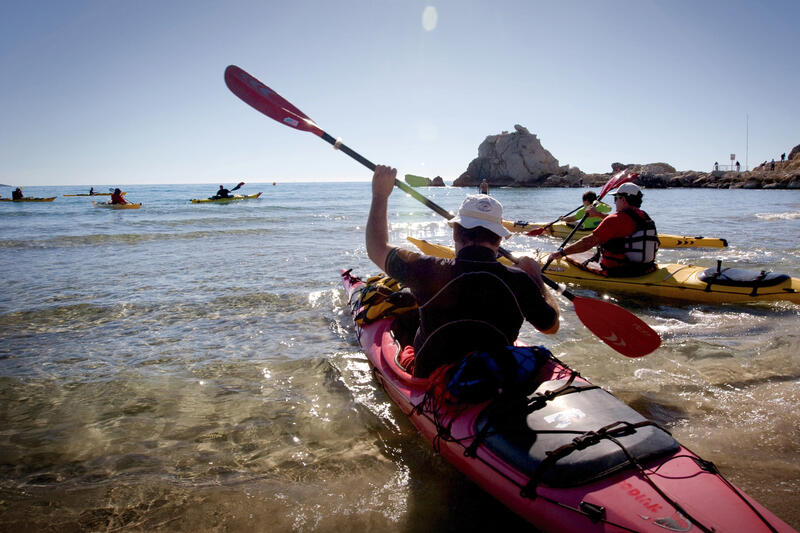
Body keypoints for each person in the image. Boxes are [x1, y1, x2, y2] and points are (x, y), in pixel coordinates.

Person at [366, 165, 559, 377]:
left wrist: (380, 195)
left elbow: (376, 248)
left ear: (456, 232)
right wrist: (536, 279)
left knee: (407, 320)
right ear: (498, 237)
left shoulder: (427, 270)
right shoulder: (519, 280)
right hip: (494, 375)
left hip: (431, 376)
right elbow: (550, 327)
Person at [546, 182, 659, 277]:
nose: (614, 202)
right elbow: (620, 223)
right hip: (646, 266)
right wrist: (598, 214)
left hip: (619, 269)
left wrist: (561, 253)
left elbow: (588, 243)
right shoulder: (643, 216)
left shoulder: (615, 219)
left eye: (616, 198)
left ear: (623, 199)